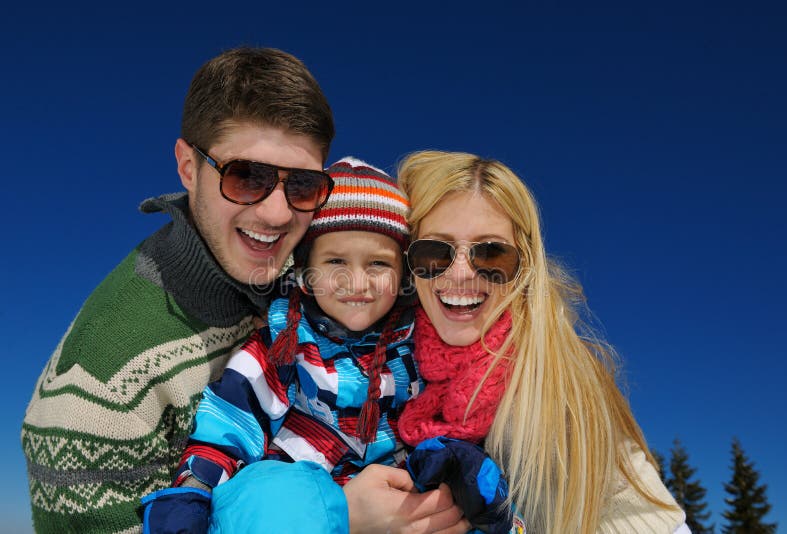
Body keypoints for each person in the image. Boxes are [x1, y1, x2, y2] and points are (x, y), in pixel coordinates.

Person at [21, 48, 466, 534]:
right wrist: (341, 517)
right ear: (188, 167)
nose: (277, 214)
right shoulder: (102, 379)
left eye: (301, 185)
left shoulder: (307, 278)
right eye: (245, 177)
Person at [395, 150, 689, 533]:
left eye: (491, 253)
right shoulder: (377, 367)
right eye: (435, 251)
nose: (462, 273)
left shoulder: (558, 390)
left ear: (524, 267)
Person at [142, 157, 426, 530]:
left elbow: (435, 421)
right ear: (306, 274)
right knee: (273, 491)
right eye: (336, 260)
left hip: (391, 509)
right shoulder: (282, 348)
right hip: (299, 509)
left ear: (403, 274)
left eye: (378, 264)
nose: (358, 283)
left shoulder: (413, 350)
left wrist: (442, 460)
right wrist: (196, 487)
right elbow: (230, 423)